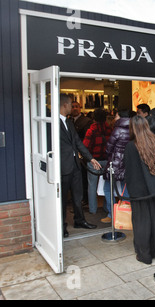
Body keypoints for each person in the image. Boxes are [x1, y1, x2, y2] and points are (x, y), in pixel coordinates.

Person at [124, 115, 155, 264]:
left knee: (142, 222)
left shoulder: (131, 146)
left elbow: (130, 171)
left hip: (140, 192)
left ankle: (144, 254)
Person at [59, 94, 100, 237]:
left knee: (78, 196)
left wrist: (90, 159)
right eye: (71, 104)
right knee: (62, 199)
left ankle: (79, 220)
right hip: (62, 167)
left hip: (75, 165)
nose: (72, 107)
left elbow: (77, 142)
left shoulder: (69, 122)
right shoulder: (52, 122)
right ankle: (61, 226)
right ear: (65, 105)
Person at [102, 107, 130, 223]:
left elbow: (108, 149)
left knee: (108, 188)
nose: (115, 118)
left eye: (116, 116)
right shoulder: (134, 129)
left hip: (115, 164)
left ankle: (111, 214)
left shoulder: (117, 130)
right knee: (125, 188)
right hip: (128, 163)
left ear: (120, 117)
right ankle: (126, 214)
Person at [82, 108, 112, 214]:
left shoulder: (91, 130)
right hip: (107, 161)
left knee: (92, 186)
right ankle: (106, 208)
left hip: (94, 161)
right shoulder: (109, 129)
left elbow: (85, 146)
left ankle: (93, 209)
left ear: (93, 118)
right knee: (106, 185)